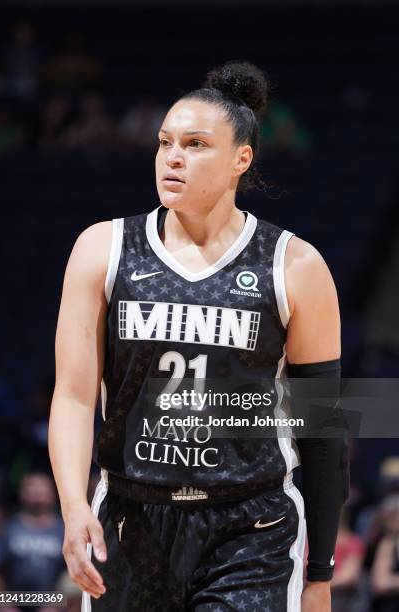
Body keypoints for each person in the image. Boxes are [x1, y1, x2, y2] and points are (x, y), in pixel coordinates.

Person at [49, 60, 349, 611]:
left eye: (195, 144)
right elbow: (72, 396)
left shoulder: (296, 266)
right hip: (130, 517)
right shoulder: (102, 249)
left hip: (251, 527)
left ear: (242, 159)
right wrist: (72, 507)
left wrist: (321, 574)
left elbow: (325, 431)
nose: (173, 157)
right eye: (165, 143)